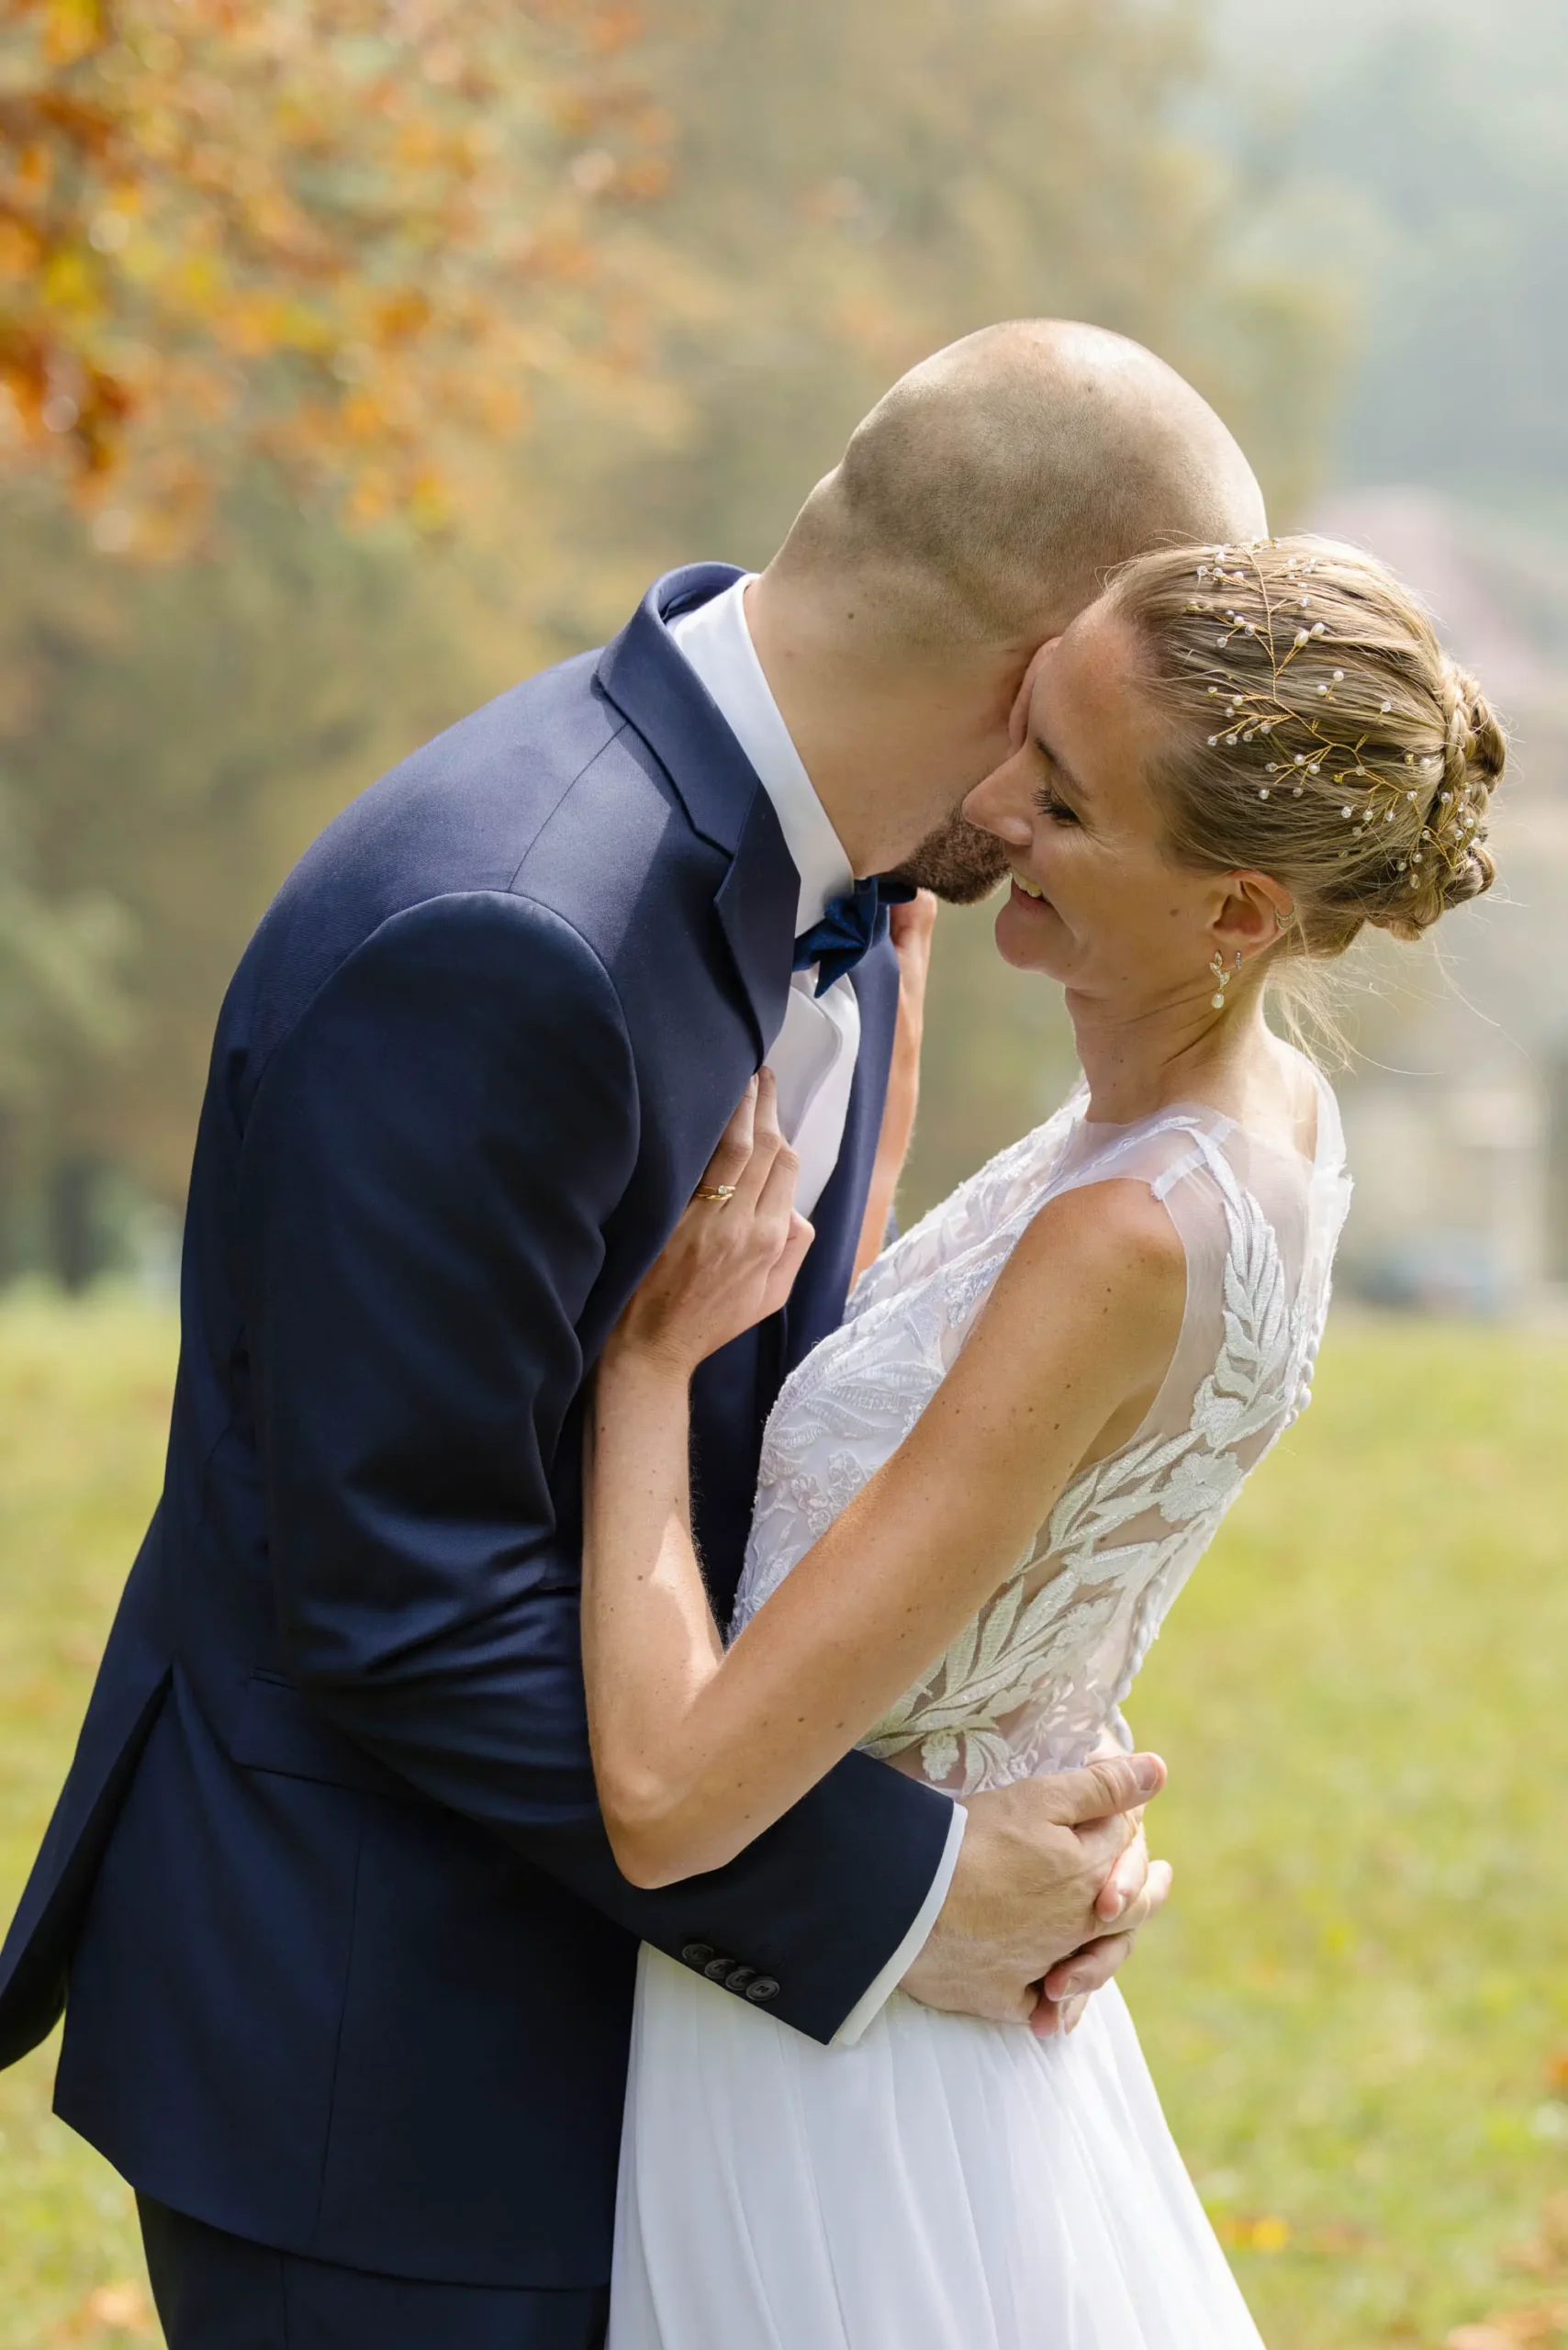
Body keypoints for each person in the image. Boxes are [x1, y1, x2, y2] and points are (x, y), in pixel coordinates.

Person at [0, 322, 1266, 2349]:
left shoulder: (841, 887)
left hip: (652, 2035)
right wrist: (914, 1890)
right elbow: (402, 1594)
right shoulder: (504, 939)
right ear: (1046, 666)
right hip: (399, 2074)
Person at [585, 534, 1506, 2349]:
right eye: (1022, 728)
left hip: (828, 2093)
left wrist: (640, 1367)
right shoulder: (1250, 1121)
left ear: (1237, 912)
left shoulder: (1124, 1235)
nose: (990, 803)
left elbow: (675, 1790)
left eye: (1067, 801)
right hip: (958, 2009)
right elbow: (1009, 1490)